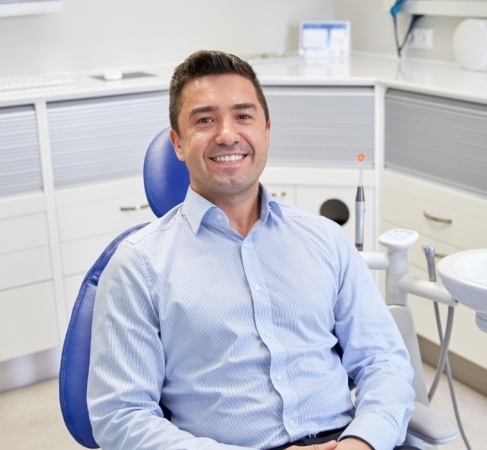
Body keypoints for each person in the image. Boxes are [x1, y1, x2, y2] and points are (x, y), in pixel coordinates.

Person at [87, 50, 417, 450]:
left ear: (266, 130)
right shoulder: (137, 265)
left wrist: (364, 441)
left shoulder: (325, 240)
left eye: (243, 116)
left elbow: (384, 361)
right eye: (205, 120)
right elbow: (121, 417)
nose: (227, 134)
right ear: (177, 142)